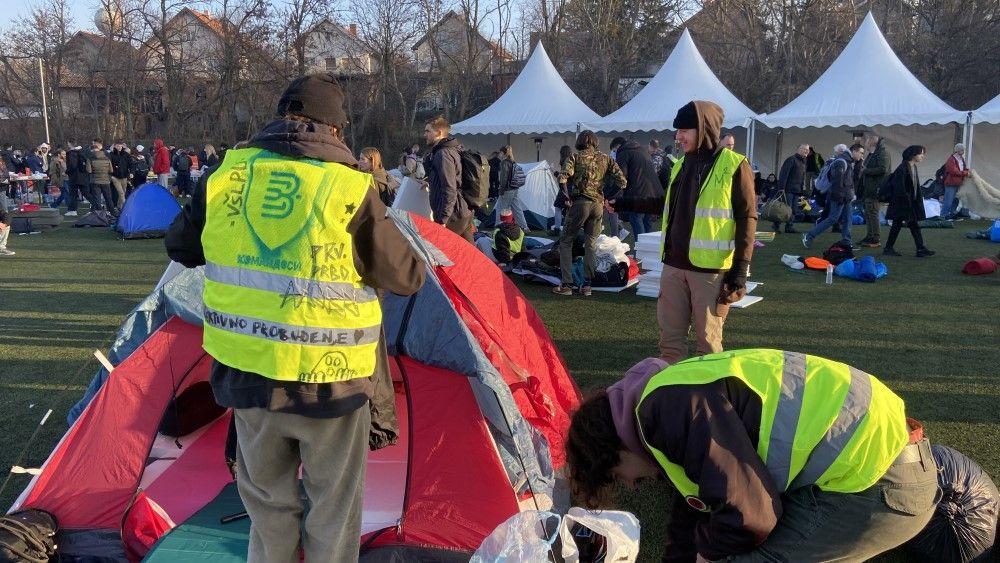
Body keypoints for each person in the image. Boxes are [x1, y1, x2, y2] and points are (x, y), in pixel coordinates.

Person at [164, 73, 426, 563]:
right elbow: (407, 276)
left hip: (248, 376)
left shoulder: (227, 175)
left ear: (281, 115)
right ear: (336, 129)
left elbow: (181, 246)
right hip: (332, 383)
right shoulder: (349, 187)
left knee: (268, 511)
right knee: (333, 512)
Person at [565, 351, 939, 562]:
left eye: (616, 475)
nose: (630, 484)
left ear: (613, 448)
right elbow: (694, 510)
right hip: (899, 463)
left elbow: (751, 516)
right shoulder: (667, 396)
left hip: (881, 485)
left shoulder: (664, 412)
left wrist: (707, 554)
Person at [657, 101, 755, 363]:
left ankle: (709, 390)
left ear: (704, 128)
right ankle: (674, 388)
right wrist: (626, 203)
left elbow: (747, 218)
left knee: (709, 348)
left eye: (684, 130)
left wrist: (740, 270)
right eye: (677, 131)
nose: (678, 137)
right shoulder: (680, 165)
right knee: (670, 346)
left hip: (710, 273)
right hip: (673, 266)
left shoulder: (735, 165)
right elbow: (668, 204)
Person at [553, 130, 626, 297]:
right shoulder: (606, 158)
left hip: (579, 203)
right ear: (595, 142)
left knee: (566, 241)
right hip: (598, 205)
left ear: (580, 142)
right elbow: (622, 182)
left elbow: (562, 178)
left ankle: (567, 284)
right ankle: (587, 285)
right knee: (591, 243)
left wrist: (567, 197)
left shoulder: (574, 157)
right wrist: (607, 196)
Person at [423, 116, 473, 240]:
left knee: (442, 249)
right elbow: (453, 176)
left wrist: (443, 219)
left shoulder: (443, 154)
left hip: (453, 216)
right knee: (469, 249)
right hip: (462, 211)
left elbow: (450, 188)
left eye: (428, 131)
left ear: (439, 133)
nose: (424, 135)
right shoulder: (452, 149)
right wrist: (430, 181)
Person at [802, 143, 861, 249]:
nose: (862, 155)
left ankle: (847, 242)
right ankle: (809, 235)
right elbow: (837, 182)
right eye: (860, 153)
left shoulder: (848, 161)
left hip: (846, 196)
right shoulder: (841, 162)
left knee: (847, 219)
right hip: (839, 196)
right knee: (833, 218)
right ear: (854, 151)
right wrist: (841, 196)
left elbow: (850, 180)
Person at [883, 145, 935, 258]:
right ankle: (890, 248)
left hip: (909, 203)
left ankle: (919, 248)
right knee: (901, 225)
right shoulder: (903, 168)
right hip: (902, 204)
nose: (922, 156)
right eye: (921, 154)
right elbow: (899, 188)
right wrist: (907, 200)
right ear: (913, 154)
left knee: (909, 225)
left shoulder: (912, 167)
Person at [612, 137, 663, 239]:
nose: (614, 153)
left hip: (638, 193)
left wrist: (611, 193)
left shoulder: (624, 153)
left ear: (618, 146)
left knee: (637, 220)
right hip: (654, 193)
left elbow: (621, 177)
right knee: (647, 223)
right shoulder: (643, 151)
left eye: (614, 150)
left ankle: (641, 247)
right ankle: (648, 247)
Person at [859, 135, 890, 248]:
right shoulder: (873, 154)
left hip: (875, 188)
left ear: (872, 143)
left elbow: (883, 169)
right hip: (869, 188)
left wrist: (866, 170)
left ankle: (875, 238)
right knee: (868, 213)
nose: (865, 144)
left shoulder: (882, 153)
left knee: (873, 213)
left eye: (866, 142)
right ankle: (870, 236)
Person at [773, 144, 809, 233]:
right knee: (785, 209)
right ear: (798, 149)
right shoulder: (791, 160)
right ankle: (776, 225)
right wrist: (781, 188)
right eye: (804, 149)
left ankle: (789, 227)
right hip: (788, 189)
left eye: (807, 149)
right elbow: (783, 174)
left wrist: (801, 190)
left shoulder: (803, 161)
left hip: (797, 190)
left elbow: (802, 177)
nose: (806, 151)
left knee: (794, 210)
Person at [494, 145, 529, 231]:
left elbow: (504, 178)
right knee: (517, 209)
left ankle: (499, 227)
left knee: (501, 209)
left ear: (503, 153)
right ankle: (524, 227)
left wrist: (501, 190)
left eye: (500, 152)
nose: (499, 154)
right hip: (515, 188)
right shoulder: (513, 161)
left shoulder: (504, 162)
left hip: (507, 190)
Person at [941, 143, 971, 220]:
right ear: (958, 150)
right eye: (962, 150)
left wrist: (967, 171)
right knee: (948, 201)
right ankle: (943, 217)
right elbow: (953, 171)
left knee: (955, 200)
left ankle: (951, 215)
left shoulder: (961, 159)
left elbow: (963, 168)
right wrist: (965, 173)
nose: (963, 151)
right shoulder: (951, 159)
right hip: (951, 183)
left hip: (958, 183)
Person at [86, 142, 114, 212]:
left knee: (97, 199)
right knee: (108, 198)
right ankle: (112, 212)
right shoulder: (107, 158)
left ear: (92, 150)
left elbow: (89, 171)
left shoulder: (90, 159)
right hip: (105, 180)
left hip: (95, 181)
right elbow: (111, 170)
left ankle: (99, 213)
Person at [551, 145, 573, 234]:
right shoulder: (572, 161)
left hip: (565, 188)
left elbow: (562, 178)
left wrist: (553, 170)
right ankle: (567, 230)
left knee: (558, 207)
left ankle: (557, 229)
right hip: (571, 188)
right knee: (568, 210)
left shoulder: (565, 162)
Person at [109, 141, 132, 210]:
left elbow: (131, 164)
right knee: (121, 192)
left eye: (120, 146)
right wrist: (111, 175)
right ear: (115, 146)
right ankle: (126, 207)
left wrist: (132, 172)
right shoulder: (111, 154)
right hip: (115, 177)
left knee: (123, 192)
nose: (119, 147)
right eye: (118, 146)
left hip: (124, 176)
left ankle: (119, 207)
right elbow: (108, 165)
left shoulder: (126, 155)